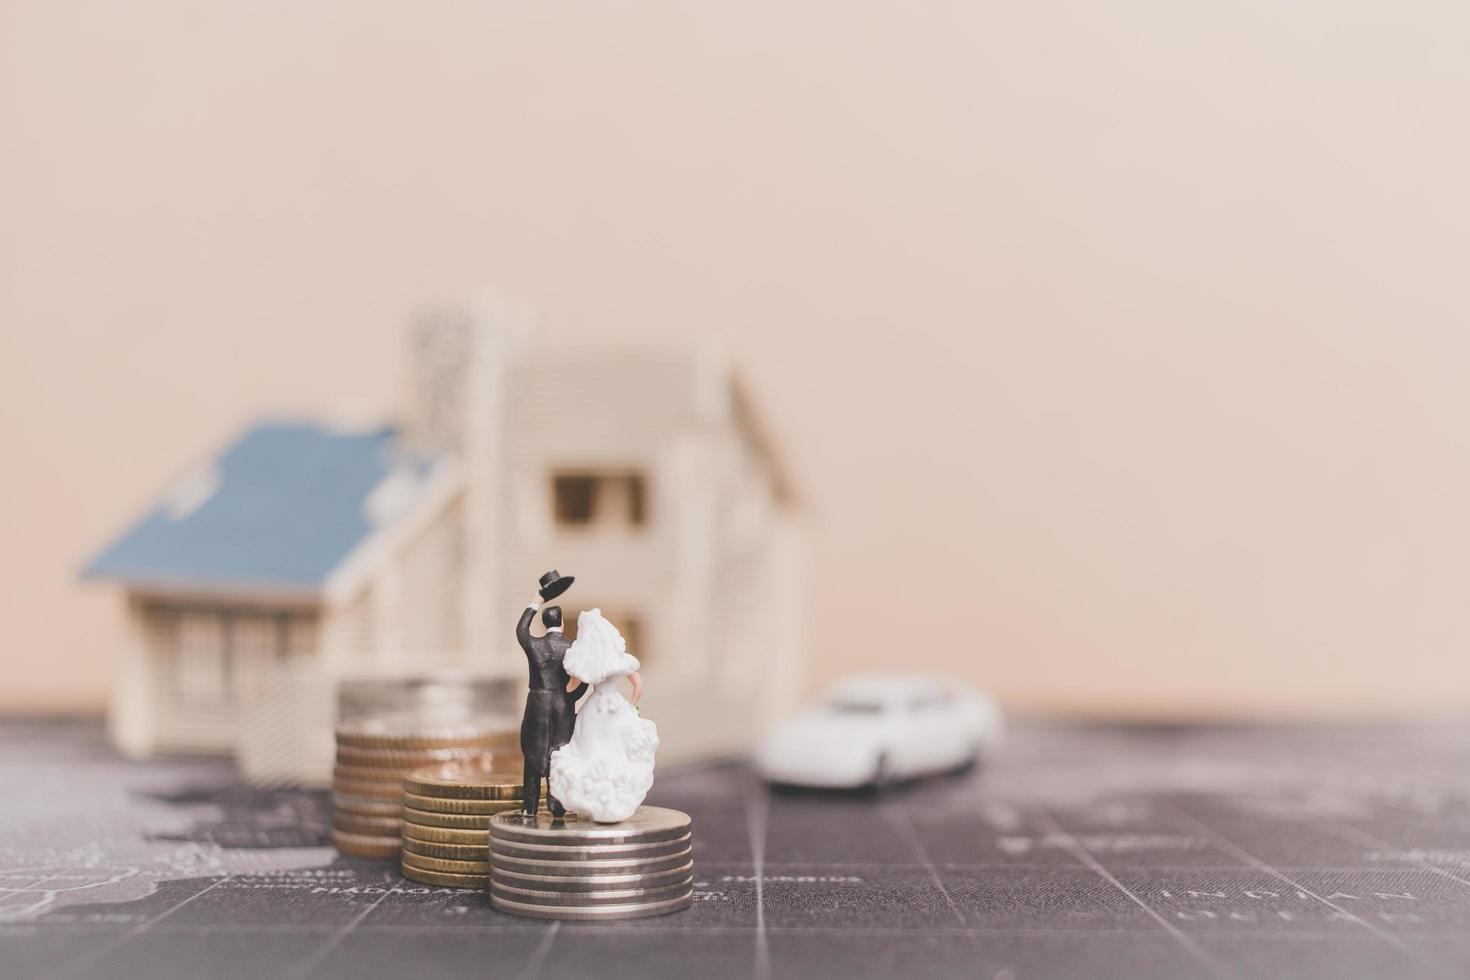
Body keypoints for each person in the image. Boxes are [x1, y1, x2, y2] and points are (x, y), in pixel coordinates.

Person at [548, 609, 659, 822]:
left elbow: (570, 690)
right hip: (617, 706)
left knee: (590, 745)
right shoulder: (620, 660)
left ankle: (600, 786)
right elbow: (637, 684)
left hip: (595, 707)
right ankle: (608, 787)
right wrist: (631, 706)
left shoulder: (590, 663)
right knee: (613, 745)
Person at [515, 597, 586, 815]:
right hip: (562, 705)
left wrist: (536, 601)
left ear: (545, 623)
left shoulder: (534, 645)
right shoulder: (572, 647)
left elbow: (521, 630)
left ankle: (530, 806)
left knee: (532, 753)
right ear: (562, 622)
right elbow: (582, 679)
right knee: (560, 750)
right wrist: (571, 698)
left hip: (536, 703)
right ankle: (557, 803)